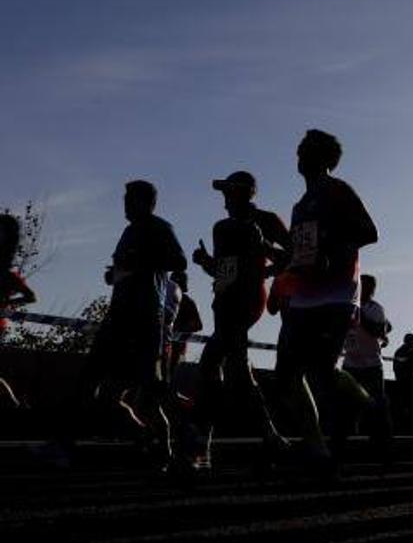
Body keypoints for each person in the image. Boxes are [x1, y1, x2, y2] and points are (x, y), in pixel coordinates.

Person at [51, 181, 187, 470]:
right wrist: (115, 273)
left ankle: (164, 450)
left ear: (146, 201)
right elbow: (127, 269)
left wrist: (141, 261)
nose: (124, 204)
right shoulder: (128, 232)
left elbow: (179, 260)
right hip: (117, 317)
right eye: (125, 199)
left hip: (144, 322)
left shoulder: (159, 227)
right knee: (91, 382)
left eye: (130, 199)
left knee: (142, 396)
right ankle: (65, 444)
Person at [275, 129, 378, 476]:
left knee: (321, 370)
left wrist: (329, 255)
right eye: (299, 149)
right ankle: (315, 445)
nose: (299, 155)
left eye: (306, 150)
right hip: (303, 298)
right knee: (287, 373)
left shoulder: (338, 190)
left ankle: (364, 403)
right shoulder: (299, 206)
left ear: (323, 158)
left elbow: (368, 231)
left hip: (336, 295)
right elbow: (299, 252)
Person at [185, 171, 289, 470]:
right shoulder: (222, 228)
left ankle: (199, 440)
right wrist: (205, 261)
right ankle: (271, 436)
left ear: (242, 195)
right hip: (224, 301)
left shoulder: (267, 221)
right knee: (238, 371)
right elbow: (222, 270)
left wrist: (263, 263)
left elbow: (292, 256)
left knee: (210, 363)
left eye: (228, 195)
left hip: (247, 301)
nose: (224, 202)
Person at [342, 274, 392, 458]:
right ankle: (339, 448)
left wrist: (359, 315)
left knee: (378, 407)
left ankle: (382, 447)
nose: (366, 289)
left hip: (371, 365)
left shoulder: (375, 308)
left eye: (370, 286)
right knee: (345, 406)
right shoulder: (348, 305)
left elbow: (377, 330)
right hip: (350, 363)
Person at [0, 214, 37, 411]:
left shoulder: (7, 275)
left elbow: (31, 297)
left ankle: (15, 406)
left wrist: (8, 303)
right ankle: (15, 406)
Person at [392, 333, 413, 434]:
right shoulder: (409, 352)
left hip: (401, 381)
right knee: (410, 405)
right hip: (408, 382)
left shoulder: (399, 351)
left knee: (402, 406)